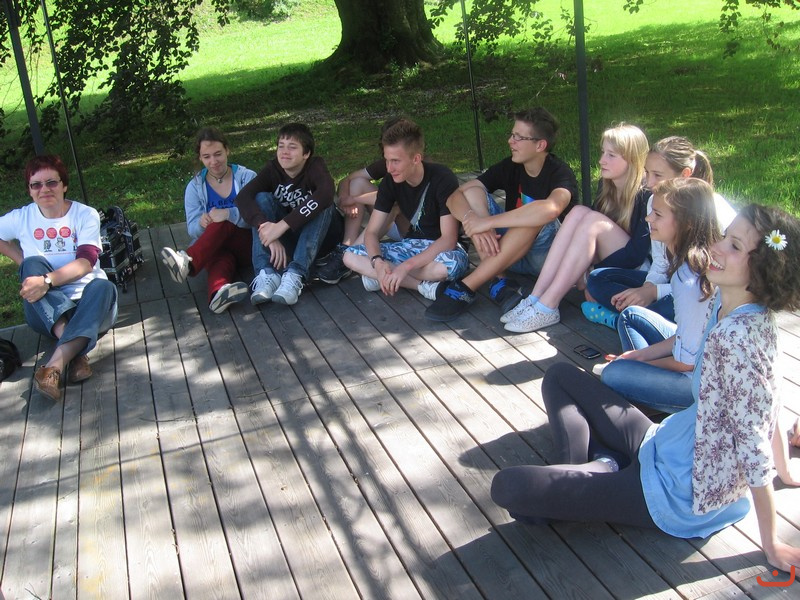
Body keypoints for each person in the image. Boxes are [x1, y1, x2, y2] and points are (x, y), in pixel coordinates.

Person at [491, 204, 800, 573]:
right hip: (666, 442)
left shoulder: (737, 339)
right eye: (724, 236)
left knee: (509, 487)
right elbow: (771, 400)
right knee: (560, 376)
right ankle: (598, 468)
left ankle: (598, 471)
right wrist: (786, 471)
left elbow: (753, 440)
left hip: (676, 492)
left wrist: (771, 543)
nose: (716, 247)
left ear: (764, 271)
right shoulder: (729, 304)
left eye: (734, 246)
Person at [424, 107, 579, 322]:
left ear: (540, 145)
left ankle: (467, 286)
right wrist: (475, 221)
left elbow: (552, 208)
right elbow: (454, 197)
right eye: (512, 134)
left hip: (545, 260)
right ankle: (500, 281)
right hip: (506, 252)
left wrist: (487, 222)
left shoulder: (560, 173)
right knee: (472, 192)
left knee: (535, 216)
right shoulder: (511, 166)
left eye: (518, 137)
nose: (510, 141)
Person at [501, 123, 650, 333]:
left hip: (638, 272)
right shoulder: (607, 186)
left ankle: (548, 305)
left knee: (592, 220)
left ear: (632, 159)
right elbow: (586, 231)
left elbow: (636, 254)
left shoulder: (646, 195)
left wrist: (590, 271)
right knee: (578, 212)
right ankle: (536, 296)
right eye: (603, 152)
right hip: (610, 262)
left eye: (611, 155)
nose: (602, 160)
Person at [582, 136, 737, 329]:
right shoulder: (653, 201)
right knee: (597, 279)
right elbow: (660, 262)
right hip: (669, 284)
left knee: (670, 306)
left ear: (685, 174)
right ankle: (639, 319)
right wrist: (647, 289)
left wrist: (655, 292)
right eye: (647, 173)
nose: (649, 182)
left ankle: (626, 319)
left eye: (657, 175)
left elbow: (708, 284)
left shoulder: (712, 209)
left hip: (704, 292)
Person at [0, 155, 118, 401]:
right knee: (31, 263)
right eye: (36, 184)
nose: (44, 189)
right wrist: (22, 261)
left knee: (104, 287)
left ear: (64, 185)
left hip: (91, 306)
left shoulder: (84, 215)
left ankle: (54, 366)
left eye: (51, 182)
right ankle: (74, 355)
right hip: (44, 313)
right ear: (30, 190)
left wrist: (45, 281)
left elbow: (85, 263)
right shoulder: (22, 217)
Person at [597, 178, 720, 413]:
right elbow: (688, 338)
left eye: (658, 214)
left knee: (614, 373)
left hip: (700, 385)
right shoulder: (689, 262)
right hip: (699, 352)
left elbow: (687, 363)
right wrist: (638, 356)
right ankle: (646, 389)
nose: (648, 218)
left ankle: (654, 400)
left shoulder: (688, 280)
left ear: (687, 223)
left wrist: (642, 364)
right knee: (632, 315)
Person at [342, 118, 469, 299]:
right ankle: (422, 287)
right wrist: (378, 262)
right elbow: (371, 232)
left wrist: (405, 267)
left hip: (443, 250)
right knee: (349, 256)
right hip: (410, 246)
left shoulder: (442, 177)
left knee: (446, 268)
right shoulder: (390, 181)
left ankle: (383, 277)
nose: (389, 168)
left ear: (416, 158)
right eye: (387, 161)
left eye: (395, 161)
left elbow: (448, 239)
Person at [235, 122, 341, 306]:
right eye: (281, 146)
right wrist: (266, 230)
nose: (284, 152)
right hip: (292, 241)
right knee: (261, 199)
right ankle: (266, 274)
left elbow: (326, 193)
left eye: (292, 147)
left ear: (306, 154)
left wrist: (281, 226)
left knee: (323, 204)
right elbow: (243, 197)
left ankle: (296, 274)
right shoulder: (273, 169)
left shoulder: (314, 166)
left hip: (323, 241)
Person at [160, 127, 257, 313]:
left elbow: (258, 217)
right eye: (207, 157)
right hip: (215, 248)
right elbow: (192, 229)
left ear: (227, 150)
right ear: (200, 158)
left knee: (222, 221)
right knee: (219, 256)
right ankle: (217, 294)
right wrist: (201, 223)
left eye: (218, 154)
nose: (214, 161)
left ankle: (187, 262)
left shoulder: (247, 178)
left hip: (248, 244)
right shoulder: (195, 186)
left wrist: (228, 214)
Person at [315, 118, 409, 284]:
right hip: (390, 224)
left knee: (391, 206)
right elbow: (347, 179)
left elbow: (393, 199)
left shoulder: (417, 166)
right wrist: (345, 198)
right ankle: (348, 245)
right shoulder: (386, 164)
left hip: (412, 230)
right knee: (357, 183)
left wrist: (354, 199)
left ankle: (351, 255)